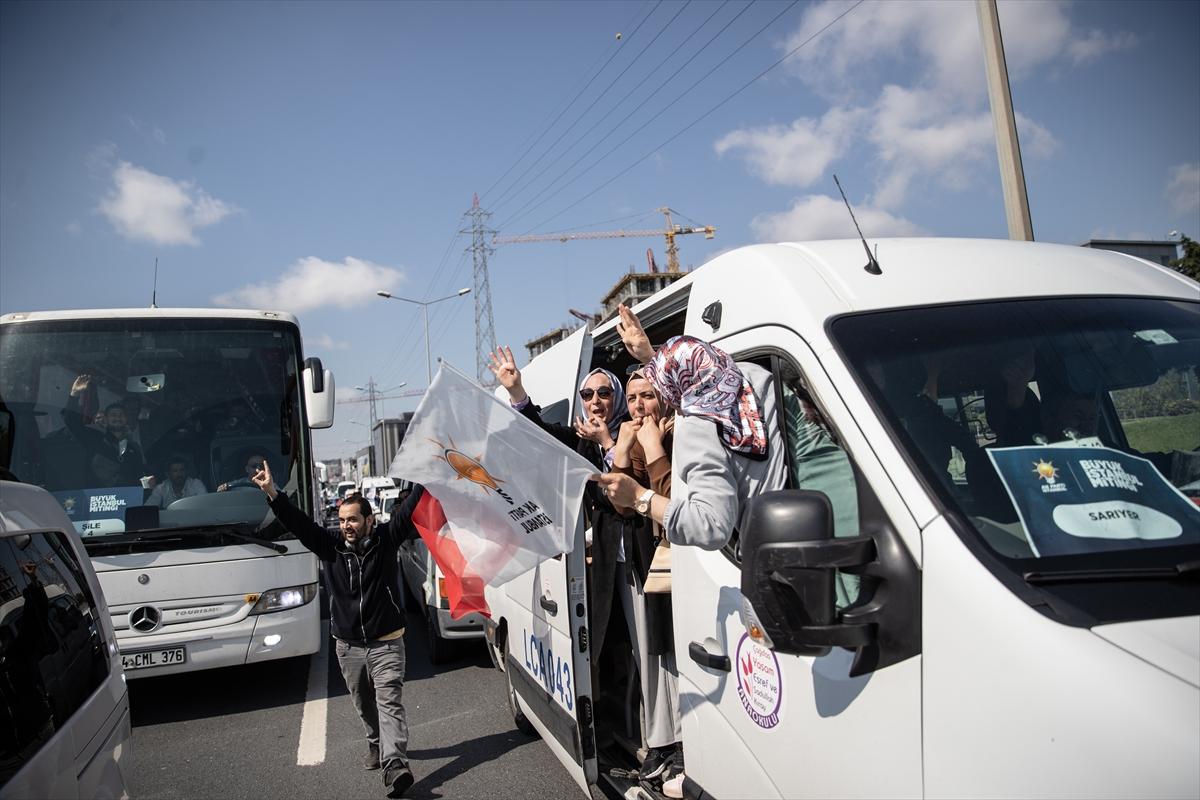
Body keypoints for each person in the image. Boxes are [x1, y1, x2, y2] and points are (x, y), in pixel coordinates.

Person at [593, 306, 789, 799]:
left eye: (656, 390)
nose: (651, 402)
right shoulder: (754, 386)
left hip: (747, 578)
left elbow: (708, 520)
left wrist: (639, 498)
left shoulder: (701, 417)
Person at [250, 459, 424, 798]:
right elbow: (299, 523)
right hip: (348, 646)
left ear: (369, 521)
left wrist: (428, 473)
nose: (347, 526)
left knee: (390, 702)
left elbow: (412, 508)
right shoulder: (329, 546)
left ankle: (394, 765)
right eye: (343, 520)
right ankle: (375, 741)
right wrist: (271, 491)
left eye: (354, 520)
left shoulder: (387, 539)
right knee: (365, 704)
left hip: (387, 642)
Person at [608, 369, 682, 786]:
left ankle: (681, 750)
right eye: (633, 398)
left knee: (676, 658)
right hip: (656, 566)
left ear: (666, 399)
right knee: (658, 655)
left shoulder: (677, 434)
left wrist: (654, 449)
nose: (638, 406)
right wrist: (622, 452)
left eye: (648, 396)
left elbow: (673, 505)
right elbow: (623, 507)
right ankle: (668, 748)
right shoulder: (637, 444)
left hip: (686, 563)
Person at [62, 374, 149, 488]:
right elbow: (71, 421)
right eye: (113, 415)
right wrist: (74, 394)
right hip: (96, 501)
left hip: (126, 501)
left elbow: (140, 476)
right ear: (106, 419)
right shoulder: (94, 439)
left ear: (126, 419)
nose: (117, 418)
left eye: (121, 415)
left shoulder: (133, 449)